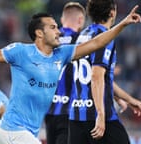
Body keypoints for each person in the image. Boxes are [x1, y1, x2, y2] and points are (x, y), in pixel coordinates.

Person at [0, 5, 141, 144]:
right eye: (53, 28)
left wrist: (122, 24)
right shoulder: (20, 52)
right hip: (12, 129)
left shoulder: (62, 54)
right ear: (39, 34)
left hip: (27, 132)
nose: (59, 31)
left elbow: (96, 43)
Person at [68, 0, 141, 144]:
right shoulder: (104, 38)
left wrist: (128, 100)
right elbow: (96, 76)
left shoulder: (83, 35)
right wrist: (101, 114)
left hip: (77, 116)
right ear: (112, 12)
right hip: (99, 117)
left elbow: (102, 78)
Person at [44, 2, 86, 144]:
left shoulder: (48, 40)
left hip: (49, 109)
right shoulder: (82, 41)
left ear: (62, 20)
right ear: (80, 20)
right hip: (70, 110)